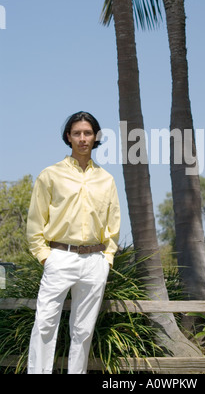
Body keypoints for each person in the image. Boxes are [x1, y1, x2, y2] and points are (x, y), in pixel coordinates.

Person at [27, 111, 121, 374]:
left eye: (88, 133)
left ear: (96, 137)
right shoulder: (50, 175)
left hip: (94, 261)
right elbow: (35, 222)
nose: (83, 138)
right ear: (68, 137)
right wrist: (45, 257)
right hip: (59, 256)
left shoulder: (106, 179)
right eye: (77, 133)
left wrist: (107, 259)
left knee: (83, 329)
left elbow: (113, 226)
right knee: (45, 324)